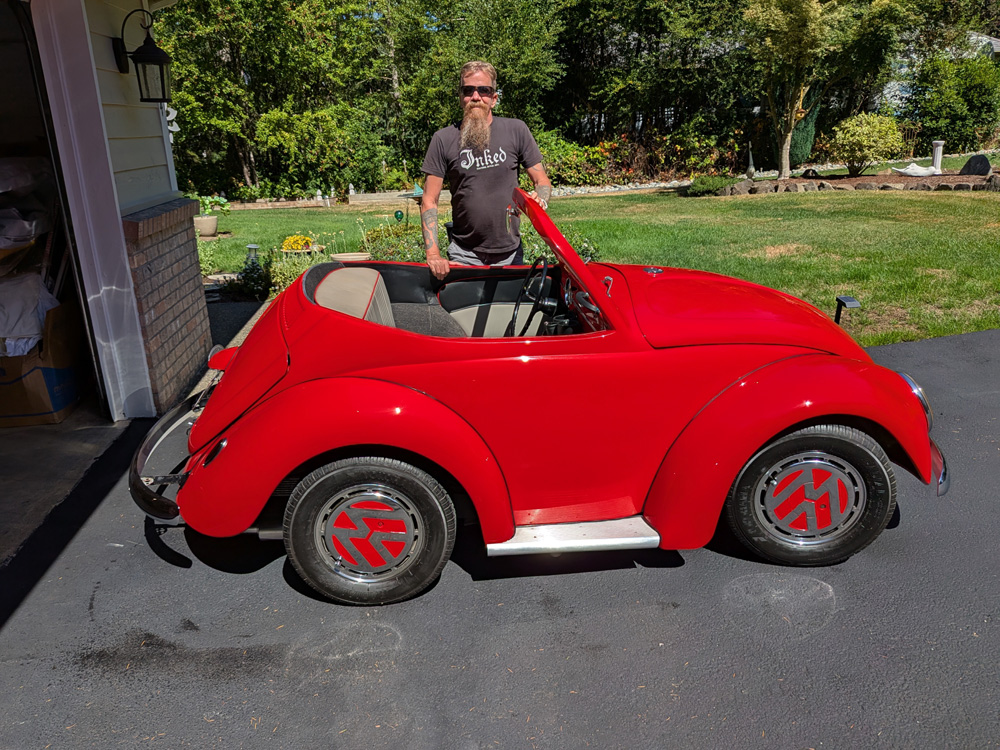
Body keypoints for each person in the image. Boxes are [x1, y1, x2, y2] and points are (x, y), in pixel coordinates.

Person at [420, 61, 552, 280]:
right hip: (463, 256)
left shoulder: (516, 130)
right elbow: (429, 200)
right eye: (468, 90)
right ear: (460, 96)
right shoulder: (442, 139)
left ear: (494, 98)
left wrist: (541, 199)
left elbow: (542, 181)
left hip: (510, 254)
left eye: (484, 90)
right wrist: (433, 253)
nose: (476, 97)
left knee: (511, 313)